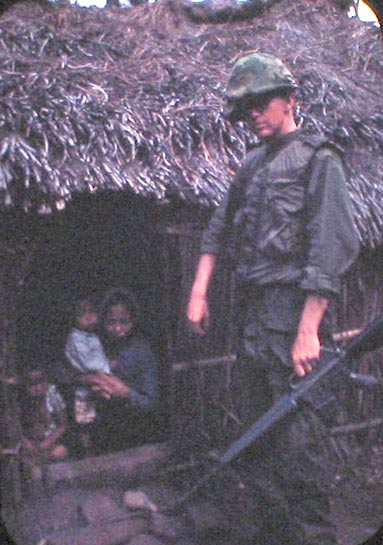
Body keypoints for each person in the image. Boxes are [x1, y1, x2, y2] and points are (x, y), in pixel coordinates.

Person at [187, 53, 360, 545]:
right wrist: (198, 293)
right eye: (245, 109)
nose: (254, 116)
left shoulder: (318, 158)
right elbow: (219, 225)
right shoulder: (252, 163)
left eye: (262, 103)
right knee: (258, 437)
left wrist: (308, 329)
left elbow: (332, 245)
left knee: (301, 446)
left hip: (294, 315)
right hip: (253, 319)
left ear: (289, 99)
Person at [77, 288, 160, 452]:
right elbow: (59, 371)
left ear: (134, 321)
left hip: (135, 431)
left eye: (124, 322)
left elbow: (151, 403)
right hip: (100, 428)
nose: (118, 329)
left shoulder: (142, 351)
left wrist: (125, 392)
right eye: (111, 322)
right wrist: (86, 379)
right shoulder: (93, 343)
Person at [20, 369, 68, 463]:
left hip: (50, 442)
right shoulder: (20, 399)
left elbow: (62, 425)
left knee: (60, 452)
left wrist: (45, 443)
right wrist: (27, 443)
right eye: (32, 384)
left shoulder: (52, 393)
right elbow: (15, 428)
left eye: (40, 382)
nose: (38, 388)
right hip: (29, 444)